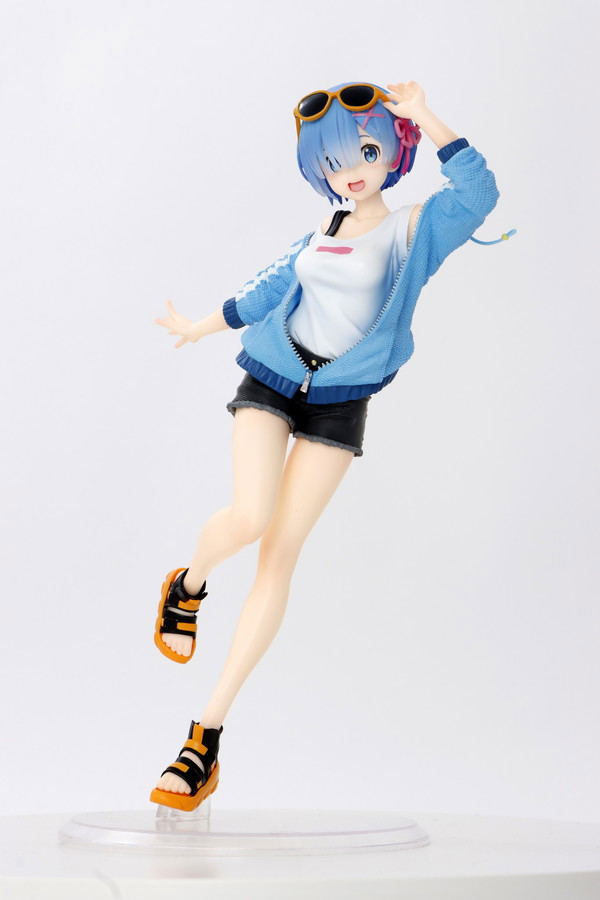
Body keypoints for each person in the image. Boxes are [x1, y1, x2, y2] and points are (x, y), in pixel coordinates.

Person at [150, 80, 507, 812]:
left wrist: (423, 115)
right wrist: (198, 326)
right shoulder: (318, 233)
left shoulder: (414, 230)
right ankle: (188, 584)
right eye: (334, 160)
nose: (351, 171)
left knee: (280, 555)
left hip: (341, 403)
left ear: (393, 153)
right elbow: (262, 293)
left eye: (367, 152)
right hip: (272, 378)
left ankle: (204, 738)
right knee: (250, 517)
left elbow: (479, 193)